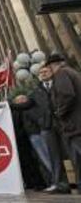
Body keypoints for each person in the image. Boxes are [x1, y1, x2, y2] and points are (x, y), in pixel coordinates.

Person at [32, 65, 70, 193]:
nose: (43, 74)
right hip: (47, 128)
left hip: (65, 125)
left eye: (45, 71)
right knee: (55, 158)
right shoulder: (36, 91)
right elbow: (27, 105)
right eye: (41, 72)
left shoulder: (60, 84)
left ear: (51, 72)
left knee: (72, 153)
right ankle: (61, 184)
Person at [47, 53, 81, 193]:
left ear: (54, 65)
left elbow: (67, 95)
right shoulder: (72, 72)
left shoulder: (61, 73)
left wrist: (59, 113)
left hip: (74, 124)